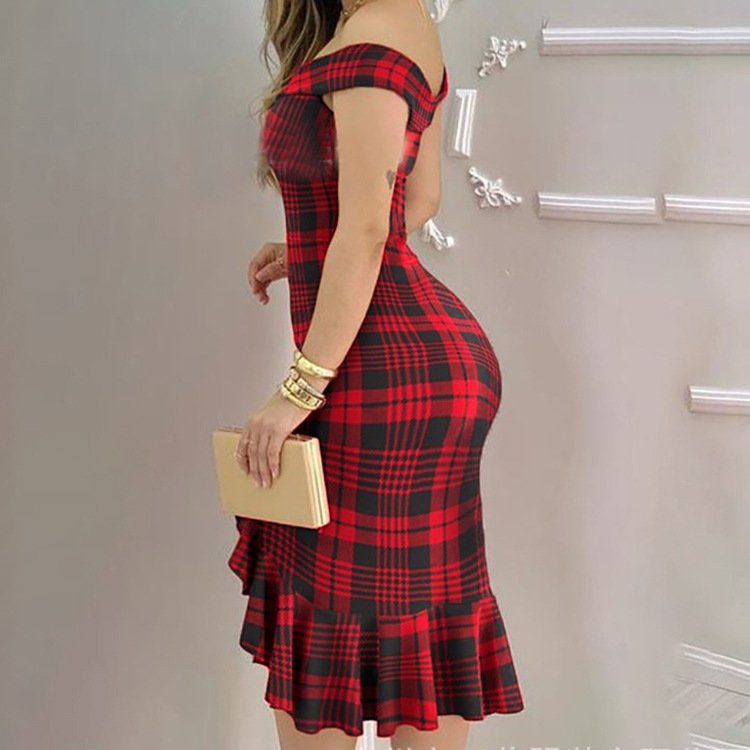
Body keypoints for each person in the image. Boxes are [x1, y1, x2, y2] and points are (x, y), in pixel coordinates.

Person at [228, 0, 525, 747]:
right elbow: (416, 202)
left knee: (322, 618)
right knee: (424, 616)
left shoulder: (369, 35)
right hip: (420, 365)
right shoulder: (408, 24)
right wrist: (307, 251)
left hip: (385, 377)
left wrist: (298, 388)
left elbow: (366, 230)